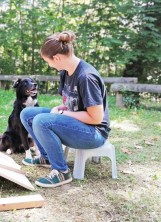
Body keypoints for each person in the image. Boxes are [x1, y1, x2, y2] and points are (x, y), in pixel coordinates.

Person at [21, 31, 111, 188]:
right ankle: (47, 157)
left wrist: (63, 113)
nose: (49, 65)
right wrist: (60, 107)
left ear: (56, 58)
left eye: (48, 61)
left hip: (93, 133)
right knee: (27, 113)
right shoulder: (65, 73)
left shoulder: (86, 77)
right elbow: (72, 103)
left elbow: (96, 118)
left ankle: (61, 172)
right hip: (77, 124)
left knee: (41, 121)